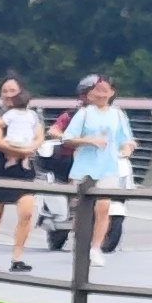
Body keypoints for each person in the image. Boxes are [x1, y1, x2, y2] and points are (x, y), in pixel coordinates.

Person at [58, 71, 134, 254]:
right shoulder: (84, 114)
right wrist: (89, 141)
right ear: (91, 94)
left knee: (103, 207)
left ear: (112, 93)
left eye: (105, 91)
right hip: (84, 167)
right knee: (83, 211)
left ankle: (95, 249)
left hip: (108, 167)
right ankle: (81, 247)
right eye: (97, 91)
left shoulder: (118, 115)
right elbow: (67, 138)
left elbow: (127, 138)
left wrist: (127, 149)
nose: (101, 94)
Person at [0, 75, 45, 271]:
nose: (8, 95)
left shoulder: (32, 115)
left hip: (24, 169)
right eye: (4, 91)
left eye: (12, 91)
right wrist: (24, 151)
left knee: (26, 213)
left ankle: (17, 258)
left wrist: (31, 148)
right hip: (1, 167)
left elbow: (39, 136)